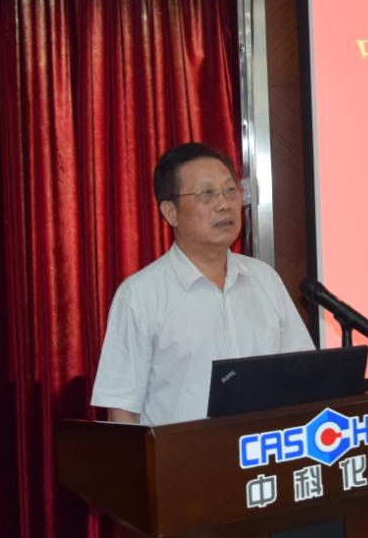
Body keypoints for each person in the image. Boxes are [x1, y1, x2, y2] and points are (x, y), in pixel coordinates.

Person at [90, 142, 313, 424]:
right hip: (182, 453)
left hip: (259, 450)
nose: (224, 204)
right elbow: (121, 411)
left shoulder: (264, 279)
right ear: (170, 212)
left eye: (230, 190)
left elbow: (303, 377)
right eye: (206, 193)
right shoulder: (140, 296)